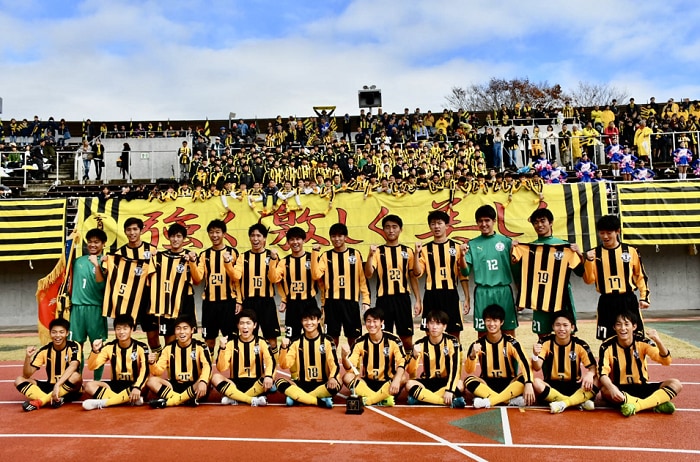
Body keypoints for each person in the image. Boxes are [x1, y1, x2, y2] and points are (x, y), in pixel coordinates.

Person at [511, 208, 584, 338]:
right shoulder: (528, 249)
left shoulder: (565, 246)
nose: (539, 225)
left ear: (551, 222)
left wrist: (579, 253)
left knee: (566, 337)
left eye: (543, 221)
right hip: (539, 298)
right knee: (542, 337)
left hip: (562, 298)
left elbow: (580, 272)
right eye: (536, 222)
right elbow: (519, 275)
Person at [598, 310, 682, 416]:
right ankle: (655, 404)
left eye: (626, 324)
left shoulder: (643, 342)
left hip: (641, 387)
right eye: (619, 325)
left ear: (634, 326)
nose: (623, 328)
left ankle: (637, 406)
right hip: (620, 390)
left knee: (676, 384)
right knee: (605, 390)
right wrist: (612, 388)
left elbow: (666, 361)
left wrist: (658, 341)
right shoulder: (606, 346)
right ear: (614, 327)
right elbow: (602, 374)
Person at [584, 215, 650, 340]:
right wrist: (588, 261)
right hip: (606, 301)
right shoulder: (594, 253)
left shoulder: (630, 251)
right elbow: (589, 280)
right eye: (602, 233)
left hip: (628, 300)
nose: (605, 236)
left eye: (609, 233)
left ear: (617, 231)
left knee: (635, 338)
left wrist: (644, 297)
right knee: (607, 339)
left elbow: (640, 276)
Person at [364, 214, 420, 352]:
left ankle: (409, 371)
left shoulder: (408, 251)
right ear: (383, 230)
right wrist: (370, 256)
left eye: (394, 227)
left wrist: (418, 300)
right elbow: (368, 273)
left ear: (400, 230)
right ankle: (386, 370)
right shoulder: (377, 252)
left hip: (403, 299)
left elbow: (414, 276)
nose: (391, 230)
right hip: (384, 300)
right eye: (387, 227)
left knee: (406, 339)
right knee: (383, 338)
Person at [102, 217, 159, 352]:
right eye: (129, 230)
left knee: (152, 337)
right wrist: (105, 261)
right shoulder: (118, 254)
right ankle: (123, 365)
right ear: (125, 232)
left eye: (135, 229)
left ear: (141, 230)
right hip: (126, 300)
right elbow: (107, 274)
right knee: (123, 335)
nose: (132, 232)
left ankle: (155, 366)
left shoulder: (151, 250)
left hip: (147, 301)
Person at [463, 304, 535, 408]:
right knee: (468, 380)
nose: (491, 324)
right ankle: (509, 401)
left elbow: (525, 363)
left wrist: (528, 383)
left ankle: (488, 401)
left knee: (526, 378)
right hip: (487, 383)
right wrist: (472, 355)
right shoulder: (478, 344)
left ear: (501, 322)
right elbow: (469, 370)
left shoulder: (511, 342)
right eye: (488, 320)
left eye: (495, 320)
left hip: (509, 383)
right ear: (484, 322)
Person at [311, 222, 370, 347]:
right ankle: (332, 365)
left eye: (340, 236)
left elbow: (362, 279)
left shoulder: (355, 254)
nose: (336, 239)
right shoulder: (325, 256)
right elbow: (316, 275)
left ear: (346, 237)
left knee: (354, 338)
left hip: (351, 302)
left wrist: (366, 299)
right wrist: (315, 253)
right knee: (331, 339)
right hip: (331, 303)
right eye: (333, 236)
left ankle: (354, 365)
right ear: (330, 238)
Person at [461, 205, 517, 337]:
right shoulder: (472, 244)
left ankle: (509, 357)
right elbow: (465, 272)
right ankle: (484, 357)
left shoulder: (507, 242)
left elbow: (516, 270)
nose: (484, 224)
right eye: (480, 221)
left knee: (508, 330)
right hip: (483, 292)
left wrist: (520, 292)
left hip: (503, 290)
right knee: (483, 332)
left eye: (487, 220)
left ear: (494, 221)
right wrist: (462, 257)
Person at [414, 210, 469, 338]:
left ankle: (454, 357)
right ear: (429, 227)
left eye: (439, 223)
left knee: (454, 333)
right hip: (431, 294)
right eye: (433, 224)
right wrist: (416, 254)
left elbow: (463, 274)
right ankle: (432, 357)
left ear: (447, 226)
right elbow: (417, 273)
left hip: (450, 294)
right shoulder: (424, 249)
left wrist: (467, 297)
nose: (436, 226)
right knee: (430, 333)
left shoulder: (456, 247)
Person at [531, 312, 598, 413]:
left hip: (574, 386)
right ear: (553, 327)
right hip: (552, 386)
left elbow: (593, 367)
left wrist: (589, 374)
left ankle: (563, 403)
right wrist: (535, 355)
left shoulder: (580, 345)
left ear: (572, 327)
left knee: (599, 378)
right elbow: (537, 367)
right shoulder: (545, 342)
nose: (561, 329)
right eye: (558, 325)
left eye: (565, 325)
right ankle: (576, 402)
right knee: (536, 382)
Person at [191, 219, 239, 354]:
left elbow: (237, 279)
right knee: (209, 340)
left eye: (218, 232)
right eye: (211, 232)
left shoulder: (233, 253)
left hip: (228, 303)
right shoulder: (204, 255)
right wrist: (192, 263)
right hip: (209, 304)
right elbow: (197, 279)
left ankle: (232, 373)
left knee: (230, 340)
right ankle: (208, 372)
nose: (214, 235)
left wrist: (239, 301)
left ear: (224, 234)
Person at [81, 314, 149, 410]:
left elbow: (145, 371)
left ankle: (105, 402)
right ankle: (125, 400)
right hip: (116, 384)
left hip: (134, 384)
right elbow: (92, 367)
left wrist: (137, 387)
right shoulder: (109, 347)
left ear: (132, 329)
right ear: (115, 330)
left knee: (149, 384)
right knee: (89, 386)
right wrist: (95, 351)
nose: (121, 332)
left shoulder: (141, 347)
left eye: (125, 328)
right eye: (118, 329)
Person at [275, 306, 339, 408]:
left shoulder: (327, 341)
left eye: (312, 319)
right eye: (305, 320)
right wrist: (283, 348)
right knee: (279, 381)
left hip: (322, 384)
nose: (309, 323)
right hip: (301, 385)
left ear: (318, 320)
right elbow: (284, 365)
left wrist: (332, 378)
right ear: (301, 322)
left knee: (338, 381)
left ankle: (297, 397)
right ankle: (318, 401)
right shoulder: (296, 342)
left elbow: (334, 364)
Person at [340, 308, 406, 407]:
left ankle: (369, 400)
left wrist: (396, 380)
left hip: (387, 383)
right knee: (347, 377)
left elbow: (402, 363)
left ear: (382, 322)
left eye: (375, 321)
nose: (371, 325)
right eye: (368, 321)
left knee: (403, 378)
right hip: (367, 383)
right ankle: (380, 399)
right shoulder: (360, 342)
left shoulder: (394, 340)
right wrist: (344, 356)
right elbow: (350, 368)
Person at [147, 223, 199, 346]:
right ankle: (169, 364)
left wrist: (192, 262)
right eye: (173, 236)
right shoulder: (158, 257)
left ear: (184, 239)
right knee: (169, 341)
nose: (175, 239)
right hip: (166, 303)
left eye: (179, 236)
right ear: (168, 238)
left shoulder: (191, 256)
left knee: (185, 338)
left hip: (185, 302)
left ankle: (184, 364)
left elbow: (197, 279)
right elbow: (148, 280)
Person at [15, 318, 82, 411]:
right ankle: (54, 400)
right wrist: (28, 357)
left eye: (61, 332)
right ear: (50, 333)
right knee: (19, 380)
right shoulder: (44, 350)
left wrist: (58, 385)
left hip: (69, 389)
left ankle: (42, 401)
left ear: (67, 333)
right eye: (54, 332)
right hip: (50, 386)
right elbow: (26, 375)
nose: (57, 335)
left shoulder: (74, 346)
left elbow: (74, 365)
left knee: (76, 376)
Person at [232, 223, 281, 354]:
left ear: (264, 238)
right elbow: (236, 278)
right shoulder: (243, 257)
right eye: (252, 235)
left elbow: (276, 279)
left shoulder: (272, 256)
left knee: (271, 339)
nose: (255, 239)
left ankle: (272, 371)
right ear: (249, 238)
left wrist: (285, 299)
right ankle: (250, 368)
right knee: (247, 337)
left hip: (267, 302)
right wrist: (239, 301)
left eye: (259, 235)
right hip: (249, 302)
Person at [146, 315, 213, 408]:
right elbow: (158, 372)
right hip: (174, 386)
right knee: (150, 381)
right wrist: (152, 363)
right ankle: (183, 399)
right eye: (178, 328)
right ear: (174, 331)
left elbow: (207, 366)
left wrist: (203, 381)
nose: (182, 332)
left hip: (194, 385)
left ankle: (170, 401)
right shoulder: (168, 348)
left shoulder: (201, 346)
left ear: (192, 330)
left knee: (206, 380)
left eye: (185, 328)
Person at [69, 228, 109, 381]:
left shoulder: (105, 262)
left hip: (95, 309)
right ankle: (76, 380)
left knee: (97, 346)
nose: (92, 245)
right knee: (76, 347)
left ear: (103, 244)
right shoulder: (78, 261)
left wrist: (97, 265)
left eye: (96, 242)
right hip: (77, 309)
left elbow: (101, 286)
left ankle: (97, 381)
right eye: (90, 241)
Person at [211, 310, 274, 407]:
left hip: (256, 383)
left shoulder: (261, 342)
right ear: (238, 326)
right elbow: (221, 368)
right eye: (242, 323)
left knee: (271, 375)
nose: (245, 327)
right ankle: (251, 399)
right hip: (235, 383)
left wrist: (268, 376)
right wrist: (222, 348)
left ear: (255, 325)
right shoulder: (231, 343)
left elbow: (270, 362)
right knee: (215, 377)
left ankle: (234, 398)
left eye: (248, 323)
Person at [267, 226, 321, 340]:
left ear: (303, 240)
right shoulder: (284, 262)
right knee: (291, 338)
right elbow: (274, 279)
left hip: (309, 303)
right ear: (288, 242)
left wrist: (324, 303)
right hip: (292, 306)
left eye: (298, 239)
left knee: (314, 337)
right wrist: (272, 260)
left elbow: (318, 277)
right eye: (292, 239)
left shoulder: (312, 258)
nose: (295, 242)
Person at [405, 310, 465, 408]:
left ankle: (423, 398)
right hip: (428, 381)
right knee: (409, 384)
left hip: (446, 381)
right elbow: (410, 370)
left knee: (460, 384)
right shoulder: (420, 343)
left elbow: (455, 368)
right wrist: (414, 356)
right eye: (431, 323)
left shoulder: (452, 341)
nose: (434, 327)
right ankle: (443, 401)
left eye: (438, 323)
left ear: (444, 327)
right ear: (427, 325)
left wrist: (449, 390)